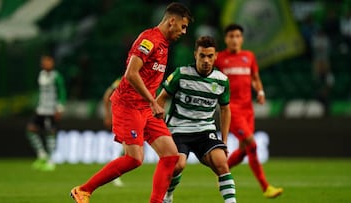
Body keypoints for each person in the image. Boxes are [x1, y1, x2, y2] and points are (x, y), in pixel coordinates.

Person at [70, 3, 193, 203]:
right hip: (128, 105)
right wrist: (153, 101)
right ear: (172, 21)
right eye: (183, 26)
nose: (184, 31)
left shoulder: (164, 44)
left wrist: (151, 102)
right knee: (134, 159)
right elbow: (131, 74)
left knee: (172, 157)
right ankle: (83, 190)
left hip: (145, 107)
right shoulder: (148, 40)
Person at [157, 36, 236, 203]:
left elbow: (225, 109)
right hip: (179, 130)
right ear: (195, 55)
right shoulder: (181, 74)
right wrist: (159, 127)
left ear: (216, 57)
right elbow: (161, 99)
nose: (206, 60)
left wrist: (225, 140)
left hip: (205, 131)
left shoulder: (221, 81)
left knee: (222, 163)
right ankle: (169, 195)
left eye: (210, 56)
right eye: (202, 56)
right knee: (178, 165)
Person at [214, 23, 283, 198]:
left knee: (245, 149)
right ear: (226, 39)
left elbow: (255, 78)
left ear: (242, 39)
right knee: (252, 144)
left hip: (247, 109)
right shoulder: (219, 59)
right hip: (231, 109)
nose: (235, 40)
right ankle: (266, 187)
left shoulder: (249, 57)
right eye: (231, 36)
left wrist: (260, 91)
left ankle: (223, 171)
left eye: (238, 36)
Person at [26, 53, 66, 171]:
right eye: (44, 62)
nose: (46, 64)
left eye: (48, 61)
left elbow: (62, 92)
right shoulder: (41, 75)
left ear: (52, 63)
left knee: (50, 133)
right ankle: (42, 154)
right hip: (41, 109)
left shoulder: (56, 76)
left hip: (51, 110)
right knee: (30, 130)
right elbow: (41, 92)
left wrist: (60, 108)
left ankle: (51, 160)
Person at [101, 76, 124, 187]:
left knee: (124, 149)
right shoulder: (123, 79)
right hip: (122, 117)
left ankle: (113, 174)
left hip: (131, 117)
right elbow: (107, 96)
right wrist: (107, 115)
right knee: (118, 147)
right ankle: (113, 176)